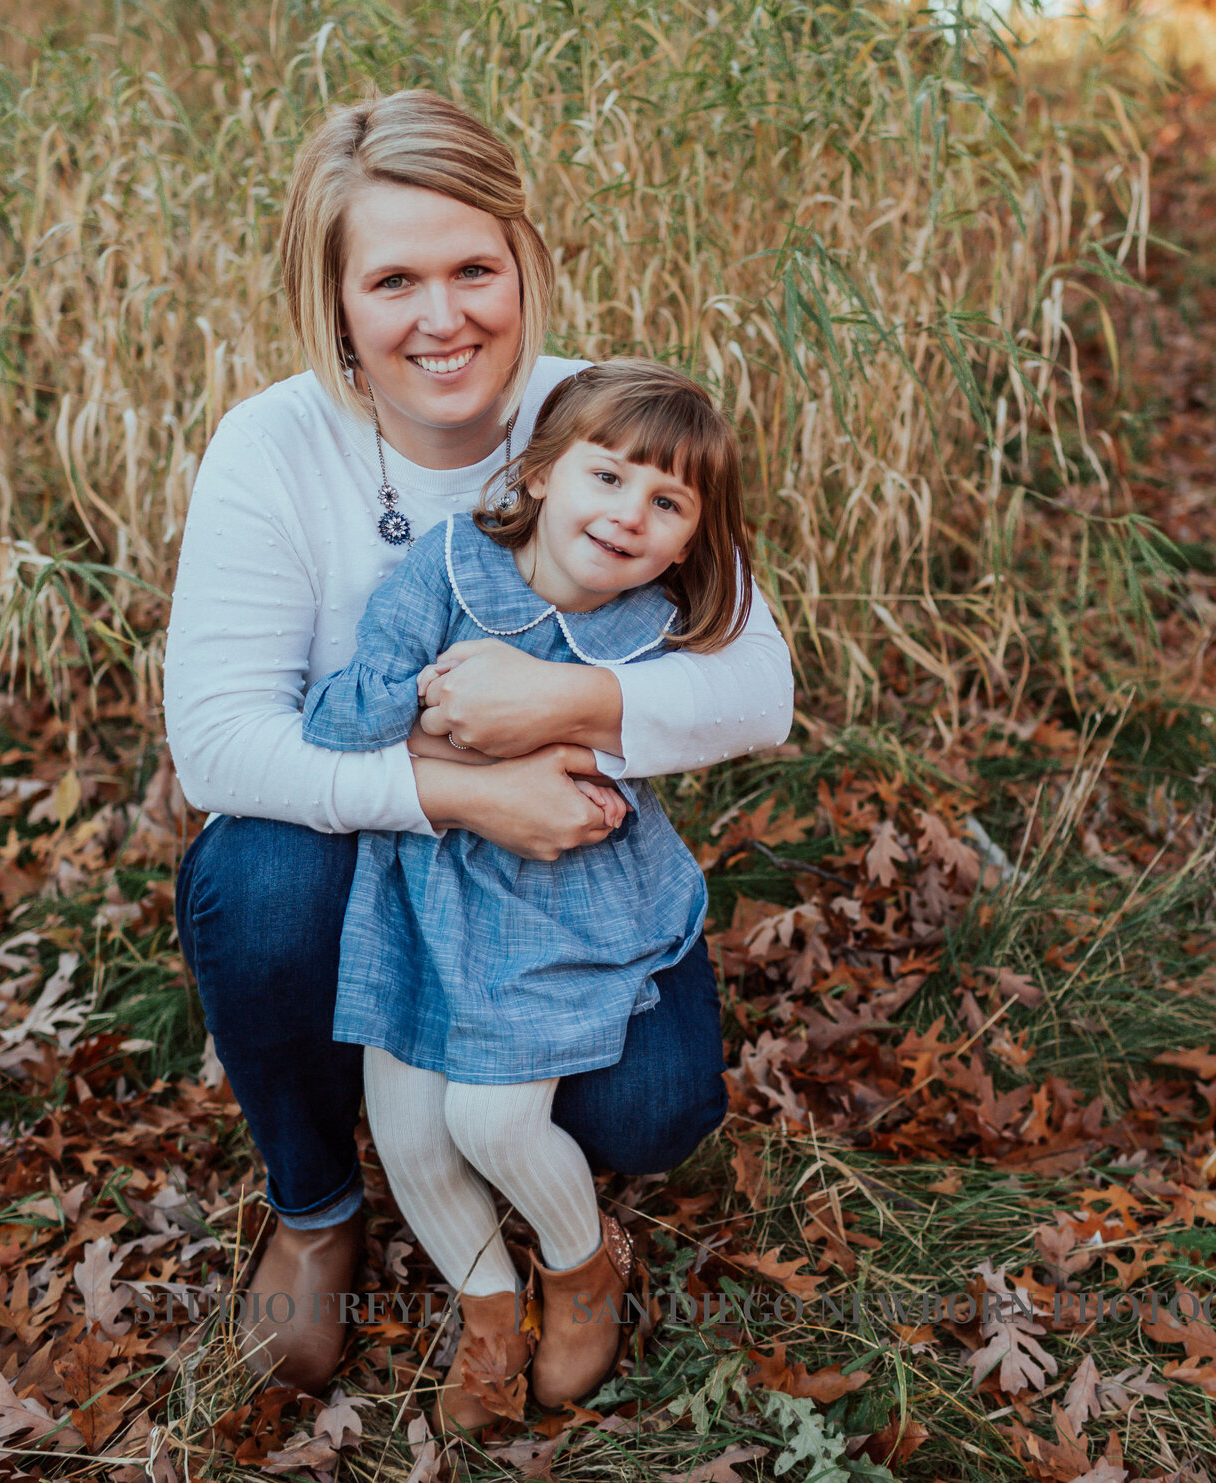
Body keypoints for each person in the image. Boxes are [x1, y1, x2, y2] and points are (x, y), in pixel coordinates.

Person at [162, 92, 793, 1396]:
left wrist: (559, 710)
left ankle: (568, 1228)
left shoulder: (603, 419)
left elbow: (759, 687)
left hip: (563, 885)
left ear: (525, 265)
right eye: (395, 278)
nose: (442, 318)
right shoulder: (273, 448)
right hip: (389, 863)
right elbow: (220, 747)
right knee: (255, 876)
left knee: (650, 1114)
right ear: (336, 299)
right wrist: (463, 790)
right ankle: (319, 1202)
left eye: (473, 270)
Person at [301, 361, 756, 1429]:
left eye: (667, 502)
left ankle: (578, 1265)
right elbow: (338, 716)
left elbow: (600, 793)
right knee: (410, 1135)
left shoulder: (651, 637)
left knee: (495, 1119)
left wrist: (543, 722)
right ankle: (490, 1311)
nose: (628, 514)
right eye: (608, 476)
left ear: (690, 540)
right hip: (422, 888)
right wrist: (428, 712)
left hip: (561, 902)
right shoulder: (446, 572)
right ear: (542, 475)